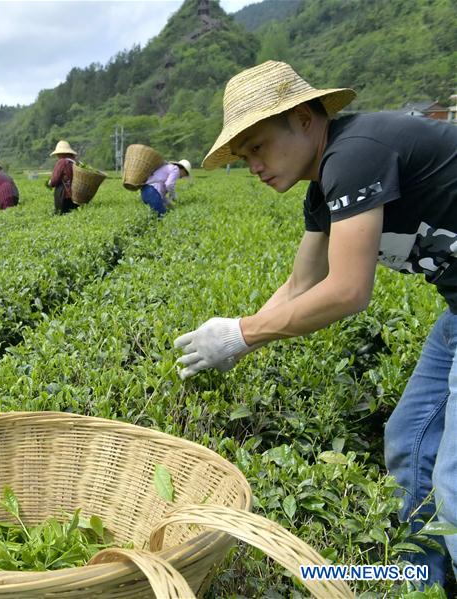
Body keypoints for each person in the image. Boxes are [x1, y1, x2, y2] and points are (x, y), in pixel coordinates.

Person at [173, 60, 457, 588]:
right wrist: (237, 338)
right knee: (411, 439)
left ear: (305, 118)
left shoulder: (355, 153)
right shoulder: (323, 190)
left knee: (453, 479)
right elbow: (301, 284)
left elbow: (348, 290)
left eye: (258, 146)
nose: (253, 165)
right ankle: (425, 582)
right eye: (244, 156)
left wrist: (242, 333)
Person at [45, 140, 78, 214]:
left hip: (64, 195)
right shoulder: (75, 162)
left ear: (60, 153)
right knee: (73, 215)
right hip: (76, 195)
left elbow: (54, 180)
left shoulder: (62, 162)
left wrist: (50, 183)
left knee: (62, 215)